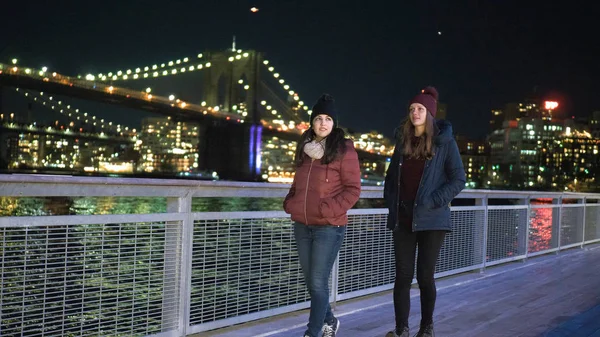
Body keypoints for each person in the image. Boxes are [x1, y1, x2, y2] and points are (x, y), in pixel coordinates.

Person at [383, 87, 466, 337]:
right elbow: (391, 179)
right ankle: (401, 330)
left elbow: (458, 179)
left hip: (432, 219)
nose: (415, 113)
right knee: (402, 276)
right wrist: (391, 203)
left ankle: (426, 327)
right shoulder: (403, 141)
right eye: (411, 109)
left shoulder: (445, 143)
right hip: (404, 218)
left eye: (420, 109)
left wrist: (434, 200)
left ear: (429, 113)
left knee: (425, 276)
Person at [283, 94, 361, 337]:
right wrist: (291, 202)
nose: (323, 123)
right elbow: (297, 184)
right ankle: (329, 320)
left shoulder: (344, 150)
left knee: (317, 282)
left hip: (329, 226)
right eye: (318, 118)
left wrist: (328, 210)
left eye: (328, 119)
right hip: (302, 224)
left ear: (334, 123)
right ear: (312, 122)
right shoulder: (304, 148)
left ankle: (313, 332)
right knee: (312, 283)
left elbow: (353, 189)